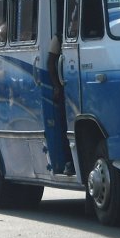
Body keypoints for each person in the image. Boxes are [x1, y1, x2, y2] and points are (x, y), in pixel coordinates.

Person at [47, 34, 75, 175]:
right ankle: (69, 162)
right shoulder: (58, 37)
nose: (72, 21)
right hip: (65, 88)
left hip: (77, 86)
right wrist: (57, 86)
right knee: (65, 126)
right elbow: (50, 62)